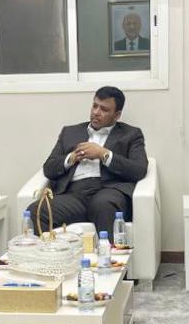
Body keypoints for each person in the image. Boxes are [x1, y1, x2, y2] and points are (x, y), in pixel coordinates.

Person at [29, 86, 148, 235]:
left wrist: (104, 154)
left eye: (104, 109)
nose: (96, 112)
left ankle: (106, 251)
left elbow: (139, 169)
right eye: (95, 106)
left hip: (108, 191)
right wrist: (71, 158)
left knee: (103, 205)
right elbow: (49, 168)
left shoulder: (131, 134)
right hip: (73, 195)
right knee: (35, 212)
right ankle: (51, 252)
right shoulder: (70, 132)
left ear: (117, 115)